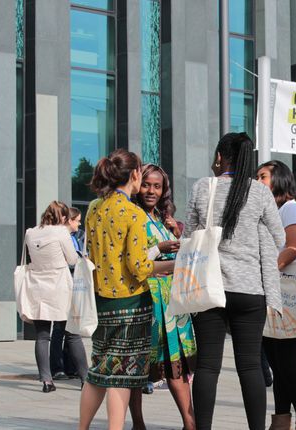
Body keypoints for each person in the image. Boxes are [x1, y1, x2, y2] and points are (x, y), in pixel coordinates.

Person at [184, 132, 285, 430]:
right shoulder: (260, 192)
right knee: (251, 365)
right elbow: (279, 236)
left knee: (207, 365)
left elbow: (190, 235)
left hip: (209, 288)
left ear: (219, 156)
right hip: (250, 289)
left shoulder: (204, 187)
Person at [79, 149, 175, 430]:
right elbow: (139, 267)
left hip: (102, 302)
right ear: (135, 175)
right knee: (122, 377)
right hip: (132, 305)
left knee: (98, 372)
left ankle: (82, 428)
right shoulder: (133, 214)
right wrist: (170, 266)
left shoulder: (95, 207)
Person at [133, 163, 197, 430]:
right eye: (147, 184)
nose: (151, 191)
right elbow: (133, 261)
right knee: (137, 367)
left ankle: (189, 423)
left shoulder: (163, 218)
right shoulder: (132, 216)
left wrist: (178, 236)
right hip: (145, 298)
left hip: (171, 301)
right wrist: (159, 247)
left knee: (177, 363)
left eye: (157, 186)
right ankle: (138, 424)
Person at [256, 160, 296, 430]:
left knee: (288, 364)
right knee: (278, 366)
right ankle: (281, 421)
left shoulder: (291, 208)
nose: (258, 181)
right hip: (273, 296)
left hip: (290, 297)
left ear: (279, 178)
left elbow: (293, 248)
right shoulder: (272, 211)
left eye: (263, 176)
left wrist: (266, 271)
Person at [22, 201, 87, 393]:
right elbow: (73, 259)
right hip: (60, 286)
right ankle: (85, 378)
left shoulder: (30, 232)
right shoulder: (61, 232)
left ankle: (47, 380)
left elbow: (30, 258)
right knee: (72, 334)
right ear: (64, 217)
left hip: (38, 287)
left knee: (42, 336)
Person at [51, 207, 89, 381]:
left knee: (70, 328)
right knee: (60, 328)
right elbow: (71, 260)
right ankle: (57, 367)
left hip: (75, 285)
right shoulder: (61, 237)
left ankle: (70, 366)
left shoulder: (78, 236)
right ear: (69, 220)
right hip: (63, 285)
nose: (79, 224)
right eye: (77, 220)